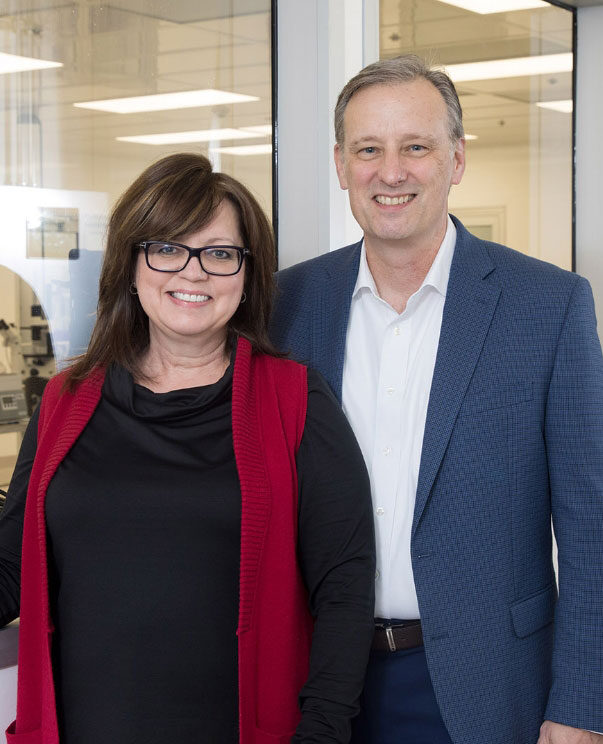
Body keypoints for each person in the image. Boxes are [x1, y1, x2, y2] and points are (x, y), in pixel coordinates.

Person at [270, 55, 603, 744]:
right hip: (318, 683)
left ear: (454, 160)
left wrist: (580, 705)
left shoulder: (546, 306)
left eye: (414, 146)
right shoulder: (286, 305)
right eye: (369, 149)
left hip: (487, 684)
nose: (390, 172)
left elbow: (590, 529)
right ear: (340, 164)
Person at [0, 152, 376, 744]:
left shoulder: (296, 399)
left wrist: (323, 731)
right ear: (131, 265)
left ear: (248, 275)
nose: (193, 272)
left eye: (220, 254)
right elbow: (11, 566)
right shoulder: (64, 402)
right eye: (167, 248)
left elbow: (345, 587)